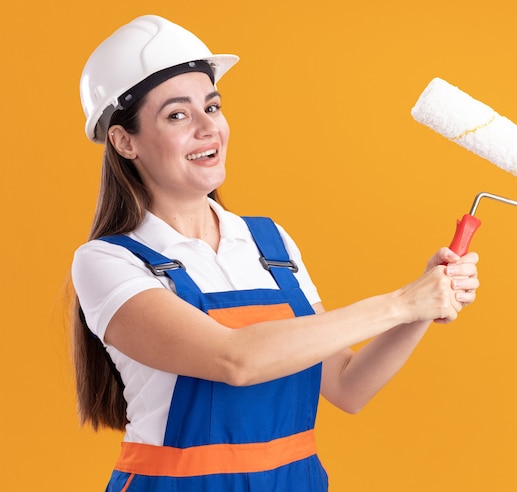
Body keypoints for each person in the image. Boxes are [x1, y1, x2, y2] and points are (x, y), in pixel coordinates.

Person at [71, 14, 479, 492]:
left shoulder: (269, 244)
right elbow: (234, 360)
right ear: (124, 141)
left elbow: (348, 386)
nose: (208, 128)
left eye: (213, 106)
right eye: (177, 115)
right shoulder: (109, 260)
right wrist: (403, 302)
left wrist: (423, 308)